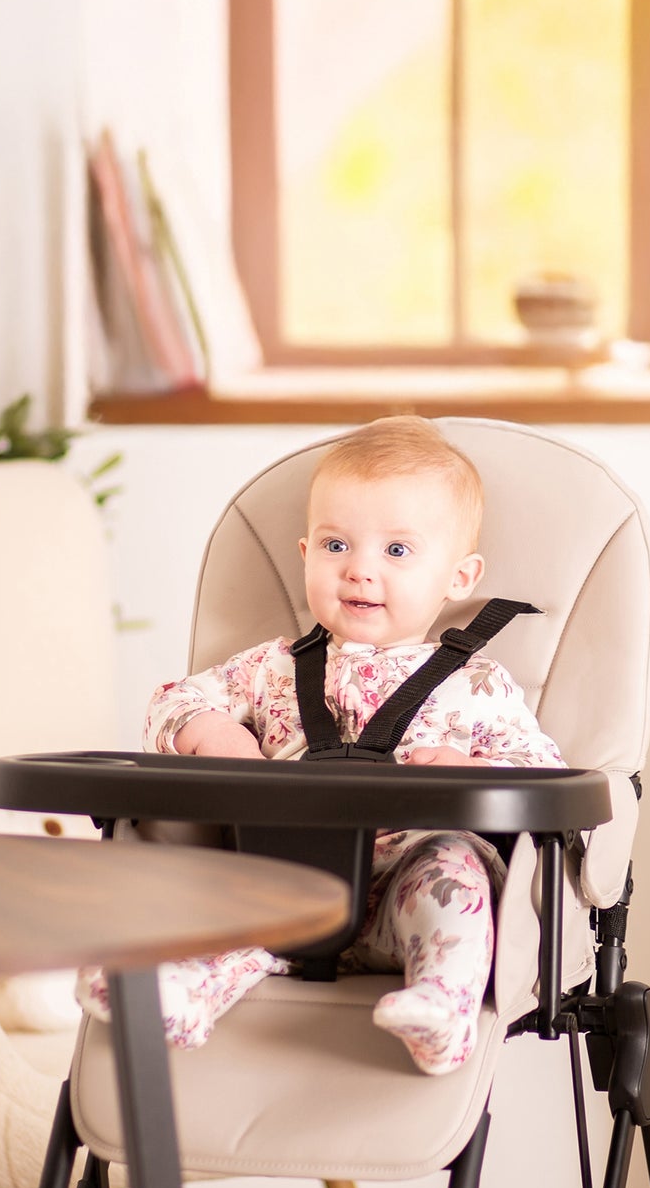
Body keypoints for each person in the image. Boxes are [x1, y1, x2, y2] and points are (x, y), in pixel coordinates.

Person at [77, 415, 564, 1075]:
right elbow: (171, 701)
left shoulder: (476, 686)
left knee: (457, 873)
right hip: (280, 883)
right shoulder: (270, 668)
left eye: (396, 551)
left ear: (459, 577)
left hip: (405, 887)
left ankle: (442, 1006)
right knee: (207, 896)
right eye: (337, 545)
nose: (359, 570)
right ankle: (174, 993)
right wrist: (214, 731)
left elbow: (548, 778)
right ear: (305, 554)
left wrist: (474, 770)